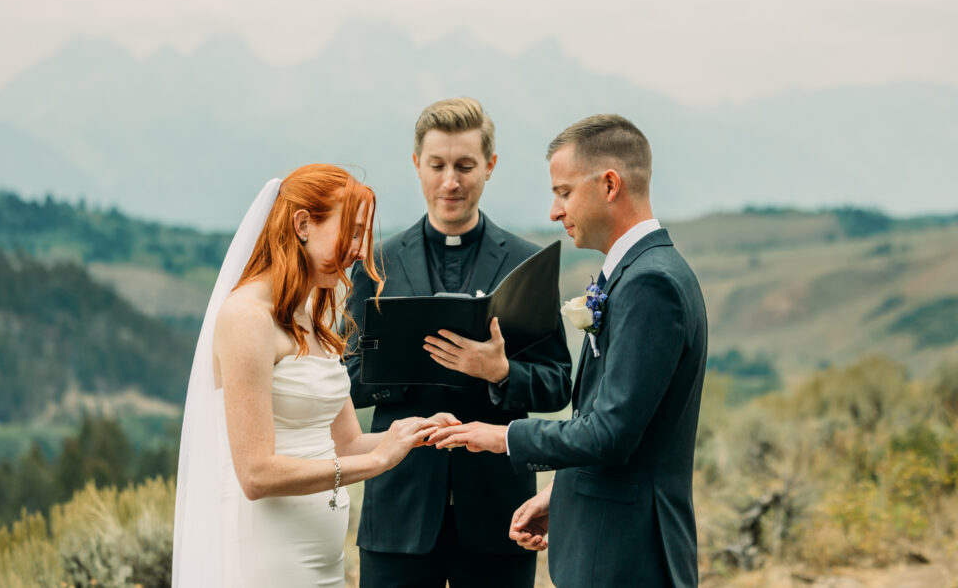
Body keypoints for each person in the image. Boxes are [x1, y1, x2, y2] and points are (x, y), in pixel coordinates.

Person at [429, 115, 709, 587]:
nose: (554, 212)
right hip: (611, 545)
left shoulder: (651, 283)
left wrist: (501, 437)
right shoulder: (636, 272)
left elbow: (610, 434)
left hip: (628, 557)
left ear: (610, 184)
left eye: (563, 192)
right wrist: (564, 491)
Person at [172, 164, 454, 588]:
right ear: (303, 224)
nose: (360, 252)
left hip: (321, 558)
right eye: (352, 232)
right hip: (266, 555)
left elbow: (348, 442)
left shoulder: (315, 312)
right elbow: (256, 474)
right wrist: (377, 462)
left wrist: (412, 434)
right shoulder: (247, 317)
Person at [344, 98, 573, 588]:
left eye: (465, 166)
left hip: (499, 513)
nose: (451, 181)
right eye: (438, 165)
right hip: (398, 512)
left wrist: (501, 373)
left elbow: (557, 386)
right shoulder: (374, 264)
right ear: (416, 166)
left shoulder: (528, 263)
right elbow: (343, 383)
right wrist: (405, 367)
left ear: (489, 166)